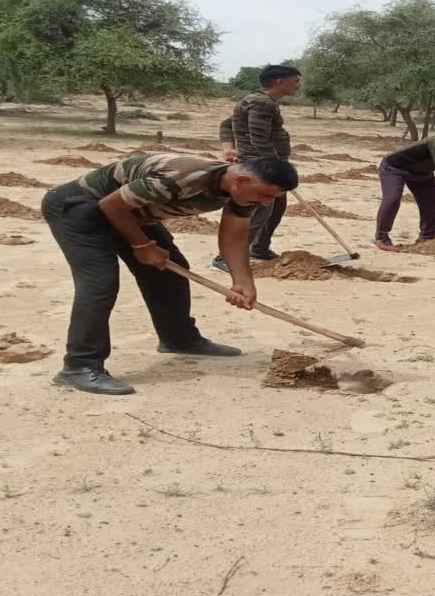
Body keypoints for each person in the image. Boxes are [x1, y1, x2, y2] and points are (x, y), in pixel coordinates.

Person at [41, 154, 299, 395]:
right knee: (100, 284)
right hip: (80, 207)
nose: (267, 203)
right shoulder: (180, 178)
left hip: (131, 214)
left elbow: (235, 237)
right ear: (241, 180)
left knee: (172, 271)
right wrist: (142, 246)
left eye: (273, 198)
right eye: (266, 195)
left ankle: (179, 339)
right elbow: (110, 205)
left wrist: (243, 281)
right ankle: (79, 366)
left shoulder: (243, 193)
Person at [212, 64, 301, 272]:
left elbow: (227, 124)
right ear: (280, 81)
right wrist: (279, 169)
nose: (299, 85)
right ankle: (225, 258)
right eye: (295, 81)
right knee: (258, 211)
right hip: (261, 166)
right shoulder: (261, 103)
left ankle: (260, 248)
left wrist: (228, 147)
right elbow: (259, 139)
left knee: (277, 208)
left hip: (268, 163)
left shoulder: (260, 101)